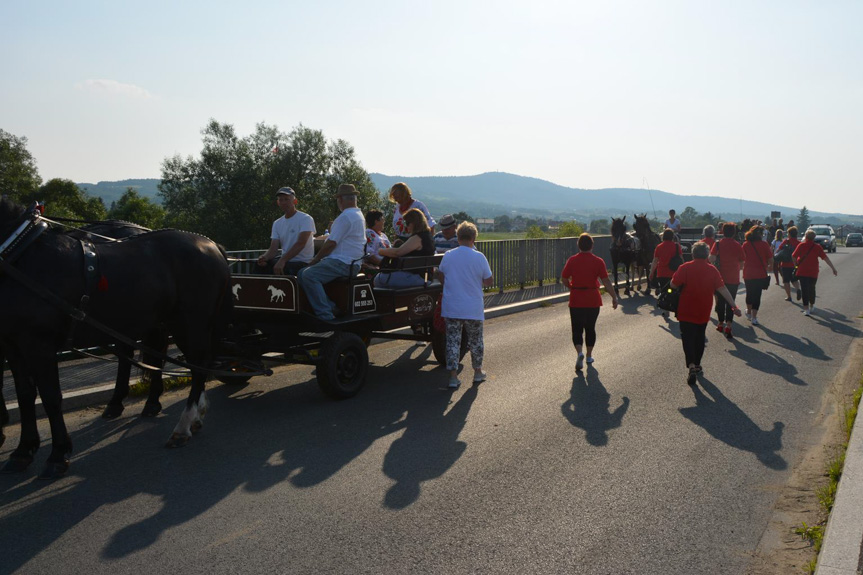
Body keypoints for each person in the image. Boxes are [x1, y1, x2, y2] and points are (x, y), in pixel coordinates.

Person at [670, 242, 742, 386]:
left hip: (685, 309)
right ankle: (697, 364)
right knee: (699, 337)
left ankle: (690, 365)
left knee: (687, 338)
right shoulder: (713, 270)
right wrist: (734, 307)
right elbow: (723, 289)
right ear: (707, 255)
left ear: (692, 254)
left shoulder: (684, 267)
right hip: (703, 310)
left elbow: (673, 285)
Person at [297, 184, 366, 321]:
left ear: (340, 199)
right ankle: (328, 306)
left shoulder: (345, 217)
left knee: (309, 275)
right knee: (301, 273)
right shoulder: (358, 215)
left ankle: (326, 314)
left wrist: (315, 259)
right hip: (352, 262)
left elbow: (331, 243)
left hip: (343, 262)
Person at [437, 222, 493, 390]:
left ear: (458, 237)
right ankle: (477, 372)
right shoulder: (479, 257)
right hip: (473, 307)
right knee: (476, 341)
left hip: (452, 306)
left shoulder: (448, 255)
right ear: (474, 238)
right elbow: (489, 280)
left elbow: (441, 276)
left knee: (452, 342)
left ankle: (453, 377)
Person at [561, 233, 619, 371]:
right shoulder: (598, 261)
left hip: (576, 298)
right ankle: (588, 356)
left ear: (578, 245)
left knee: (577, 328)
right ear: (592, 245)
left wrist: (571, 287)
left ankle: (579, 352)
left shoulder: (572, 260)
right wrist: (614, 297)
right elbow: (606, 281)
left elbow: (564, 278)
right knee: (590, 328)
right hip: (593, 298)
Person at [256, 187, 316, 275]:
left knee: (283, 269)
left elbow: (301, 244)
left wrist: (282, 260)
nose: (283, 202)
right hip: (285, 261)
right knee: (259, 267)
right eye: (281, 200)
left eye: (287, 199)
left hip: (302, 262)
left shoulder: (306, 219)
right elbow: (273, 249)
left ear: (295, 201)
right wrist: (264, 258)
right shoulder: (277, 223)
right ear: (278, 203)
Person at [374, 209, 435, 288]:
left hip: (418, 277)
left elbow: (398, 252)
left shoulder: (418, 237)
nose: (406, 226)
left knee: (379, 279)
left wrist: (381, 251)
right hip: (424, 277)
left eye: (407, 223)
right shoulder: (427, 236)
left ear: (414, 223)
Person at [709, 222, 746, 339]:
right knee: (731, 301)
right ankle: (729, 325)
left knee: (720, 301)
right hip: (733, 278)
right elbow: (741, 263)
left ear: (723, 232)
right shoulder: (737, 245)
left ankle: (720, 323)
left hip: (720, 277)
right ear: (734, 232)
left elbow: (711, 258)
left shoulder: (718, 244)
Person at [793, 229, 838, 316]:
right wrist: (833, 268)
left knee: (804, 290)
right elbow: (825, 258)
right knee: (812, 288)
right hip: (813, 272)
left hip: (802, 271)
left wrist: (796, 265)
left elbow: (793, 256)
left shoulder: (801, 245)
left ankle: (806, 309)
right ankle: (812, 305)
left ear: (806, 237)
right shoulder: (817, 247)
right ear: (814, 238)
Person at [741, 226, 773, 326]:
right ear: (760, 234)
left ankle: (749, 312)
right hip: (760, 273)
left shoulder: (746, 244)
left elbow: (742, 258)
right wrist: (770, 267)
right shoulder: (764, 244)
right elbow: (770, 259)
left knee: (749, 293)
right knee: (757, 295)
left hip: (748, 273)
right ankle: (754, 317)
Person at [649, 228, 683, 315]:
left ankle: (666, 308)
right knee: (673, 290)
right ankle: (675, 307)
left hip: (662, 273)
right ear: (672, 237)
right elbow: (681, 259)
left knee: (664, 291)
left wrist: (651, 272)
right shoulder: (676, 246)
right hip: (674, 273)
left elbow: (655, 261)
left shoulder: (659, 247)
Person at [776, 226, 802, 302]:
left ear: (789, 234)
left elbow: (778, 250)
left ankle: (789, 296)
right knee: (794, 279)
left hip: (784, 264)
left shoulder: (786, 242)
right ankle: (798, 289)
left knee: (786, 281)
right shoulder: (799, 243)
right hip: (795, 264)